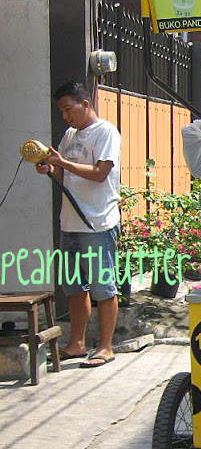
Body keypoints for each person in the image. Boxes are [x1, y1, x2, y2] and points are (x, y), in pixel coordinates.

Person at [36, 81, 122, 368]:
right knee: (73, 288)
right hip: (70, 223)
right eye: (61, 111)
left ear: (85, 103)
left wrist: (63, 163)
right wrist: (49, 167)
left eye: (68, 109)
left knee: (103, 288)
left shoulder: (106, 132)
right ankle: (77, 343)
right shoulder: (70, 134)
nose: (65, 116)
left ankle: (106, 347)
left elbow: (100, 173)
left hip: (97, 223)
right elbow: (62, 175)